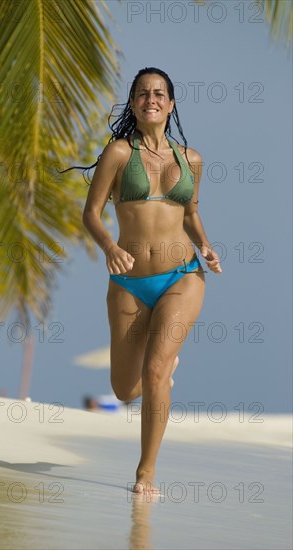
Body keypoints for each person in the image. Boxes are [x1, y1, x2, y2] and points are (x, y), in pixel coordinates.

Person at [69, 67, 222, 494]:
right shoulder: (119, 153)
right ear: (133, 103)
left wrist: (206, 246)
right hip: (130, 283)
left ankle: (145, 473)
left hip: (182, 276)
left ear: (171, 104)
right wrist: (109, 248)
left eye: (159, 93)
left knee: (154, 371)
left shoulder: (191, 159)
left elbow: (190, 214)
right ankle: (165, 369)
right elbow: (91, 213)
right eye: (142, 94)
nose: (150, 99)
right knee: (124, 390)